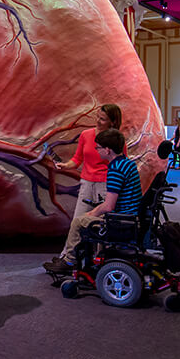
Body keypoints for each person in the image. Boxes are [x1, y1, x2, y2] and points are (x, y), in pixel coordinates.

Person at [45, 129, 141, 274]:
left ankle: (69, 261)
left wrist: (91, 213)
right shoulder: (128, 164)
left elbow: (109, 206)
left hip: (120, 219)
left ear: (107, 150)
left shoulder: (115, 170)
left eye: (98, 148)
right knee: (89, 216)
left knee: (78, 221)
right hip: (131, 215)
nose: (96, 150)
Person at [45, 104, 122, 269]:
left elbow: (119, 163)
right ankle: (67, 258)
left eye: (102, 119)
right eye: (98, 117)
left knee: (100, 225)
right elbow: (77, 159)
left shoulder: (116, 139)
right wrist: (65, 165)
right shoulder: (86, 135)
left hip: (106, 186)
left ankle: (99, 262)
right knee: (77, 221)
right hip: (87, 183)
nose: (98, 121)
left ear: (112, 122)